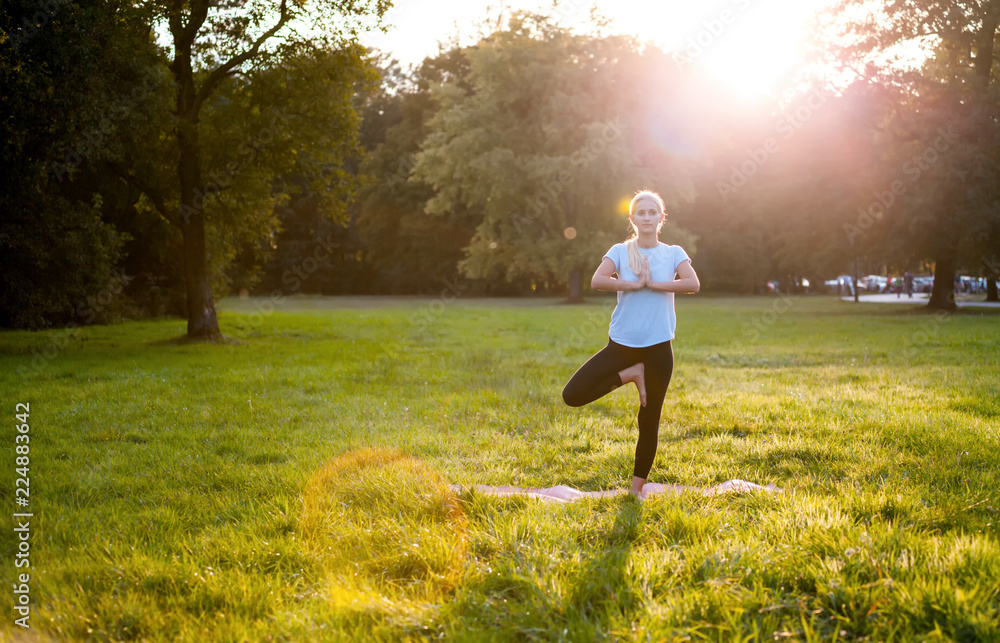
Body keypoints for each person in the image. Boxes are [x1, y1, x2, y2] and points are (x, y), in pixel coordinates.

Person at [561, 190, 700, 499]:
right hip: (622, 344)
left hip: (658, 349)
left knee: (649, 419)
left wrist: (655, 285)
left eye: (653, 212)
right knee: (572, 395)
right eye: (641, 212)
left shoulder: (673, 252)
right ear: (633, 219)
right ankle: (631, 374)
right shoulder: (622, 251)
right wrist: (631, 284)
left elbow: (693, 283)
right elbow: (598, 279)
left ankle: (636, 491)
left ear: (662, 218)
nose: (647, 217)